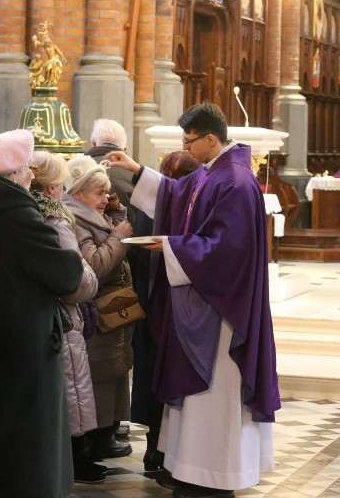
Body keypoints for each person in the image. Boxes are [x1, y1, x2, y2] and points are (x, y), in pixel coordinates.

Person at [104, 102, 279, 498]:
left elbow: (226, 250)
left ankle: (214, 474)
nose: (183, 149)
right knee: (198, 398)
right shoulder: (214, 172)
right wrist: (135, 170)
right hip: (207, 301)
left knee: (214, 393)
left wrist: (168, 246)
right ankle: (192, 469)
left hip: (221, 310)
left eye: (188, 141)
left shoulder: (233, 180)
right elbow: (178, 194)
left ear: (211, 139)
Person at [0, 129, 84, 498]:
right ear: (12, 174)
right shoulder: (17, 214)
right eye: (26, 168)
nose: (31, 174)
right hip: (26, 341)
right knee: (30, 442)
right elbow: (67, 273)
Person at [29, 150, 104, 484]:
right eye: (60, 185)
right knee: (73, 389)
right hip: (63, 315)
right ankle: (76, 461)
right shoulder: (56, 221)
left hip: (45, 314)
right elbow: (77, 279)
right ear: (50, 189)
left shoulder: (24, 217)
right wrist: (89, 277)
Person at [130, 151, 201, 474]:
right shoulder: (190, 207)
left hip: (150, 302)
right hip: (172, 304)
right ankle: (165, 451)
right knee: (164, 376)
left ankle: (153, 450)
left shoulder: (150, 202)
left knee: (152, 376)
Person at [63, 155, 135, 462]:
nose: (105, 199)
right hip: (96, 314)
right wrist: (118, 238)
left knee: (114, 374)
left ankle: (106, 436)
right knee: (99, 378)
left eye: (107, 193)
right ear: (79, 193)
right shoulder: (76, 220)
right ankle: (94, 443)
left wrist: (114, 212)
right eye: (99, 194)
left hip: (112, 312)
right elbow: (94, 266)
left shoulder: (92, 213)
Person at [85, 118, 136, 227]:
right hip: (130, 240)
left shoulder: (76, 170)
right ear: (125, 149)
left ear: (94, 144)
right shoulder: (137, 175)